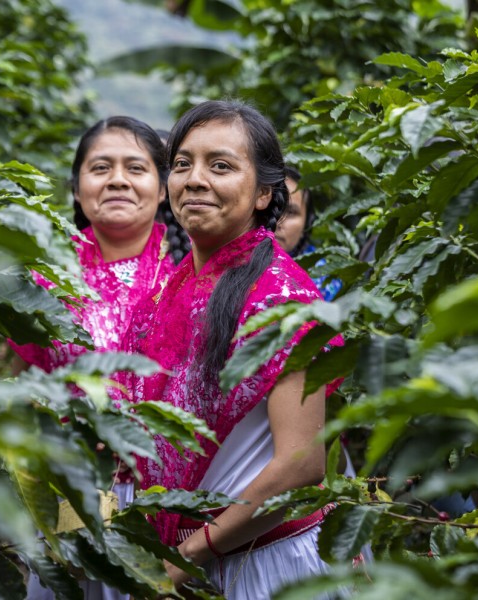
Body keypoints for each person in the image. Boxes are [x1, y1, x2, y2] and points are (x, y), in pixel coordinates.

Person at [121, 100, 343, 599]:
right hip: (187, 559)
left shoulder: (285, 300)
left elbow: (302, 466)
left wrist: (189, 556)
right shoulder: (172, 290)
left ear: (266, 193)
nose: (194, 179)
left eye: (220, 165)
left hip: (257, 565)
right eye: (182, 164)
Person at [15, 116, 182, 600]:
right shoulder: (41, 278)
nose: (117, 180)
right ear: (77, 186)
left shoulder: (192, 277)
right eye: (100, 167)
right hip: (76, 482)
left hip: (173, 493)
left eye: (136, 167)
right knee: (77, 586)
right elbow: (27, 381)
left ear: (164, 187)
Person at [275, 166, 342, 301]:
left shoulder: (324, 280)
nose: (277, 221)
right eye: (271, 209)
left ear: (307, 224)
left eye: (291, 212)